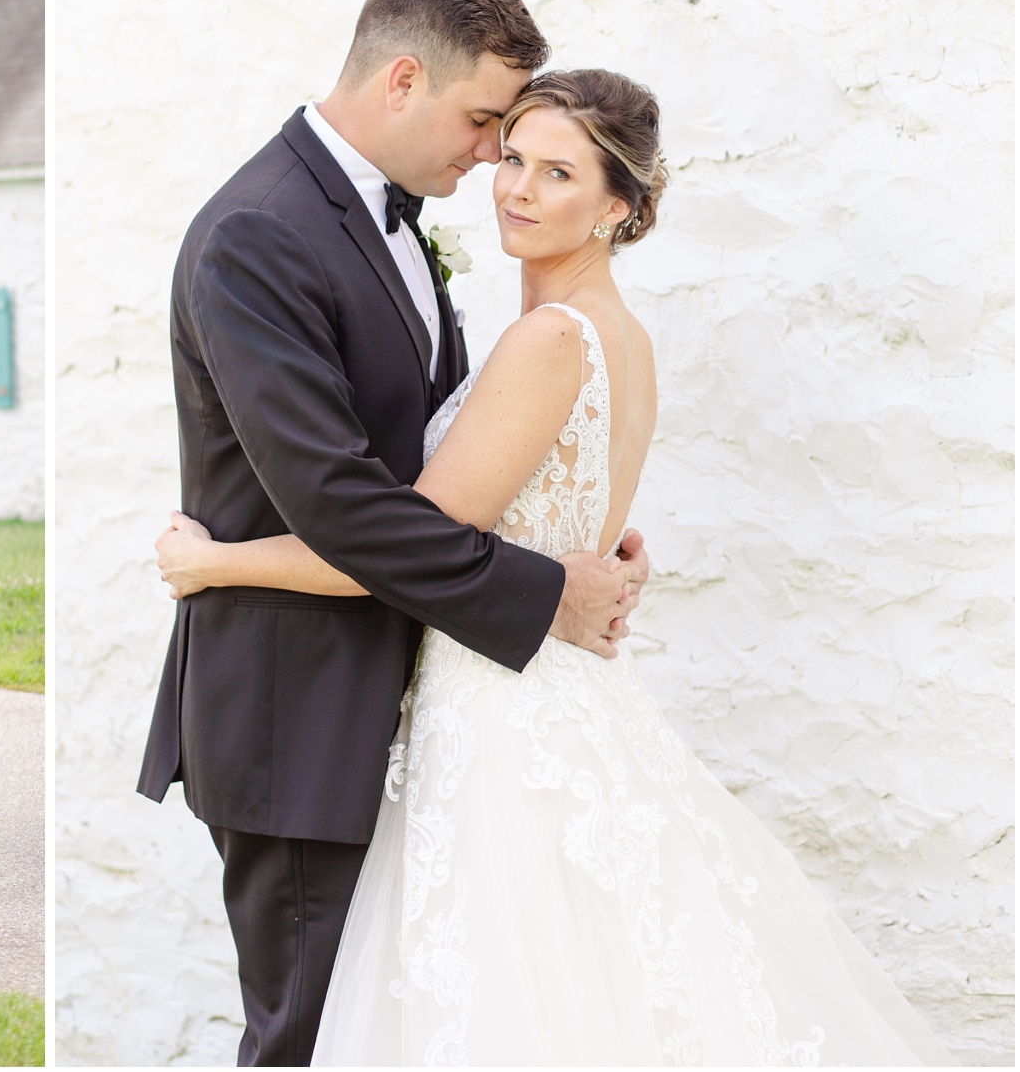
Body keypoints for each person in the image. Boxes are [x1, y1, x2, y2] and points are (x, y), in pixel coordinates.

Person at [157, 70, 953, 1064]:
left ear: (618, 205)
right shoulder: (624, 340)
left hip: (499, 717)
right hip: (569, 693)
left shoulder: (545, 341)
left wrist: (217, 560)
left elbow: (390, 548)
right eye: (515, 157)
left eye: (559, 171)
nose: (517, 187)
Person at [135, 0, 647, 1066]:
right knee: (310, 1040)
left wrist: (559, 526)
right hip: (297, 712)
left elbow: (438, 453)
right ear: (403, 80)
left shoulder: (394, 221)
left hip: (412, 708)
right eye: (482, 124)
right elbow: (341, 499)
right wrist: (544, 586)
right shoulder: (259, 231)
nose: (491, 159)